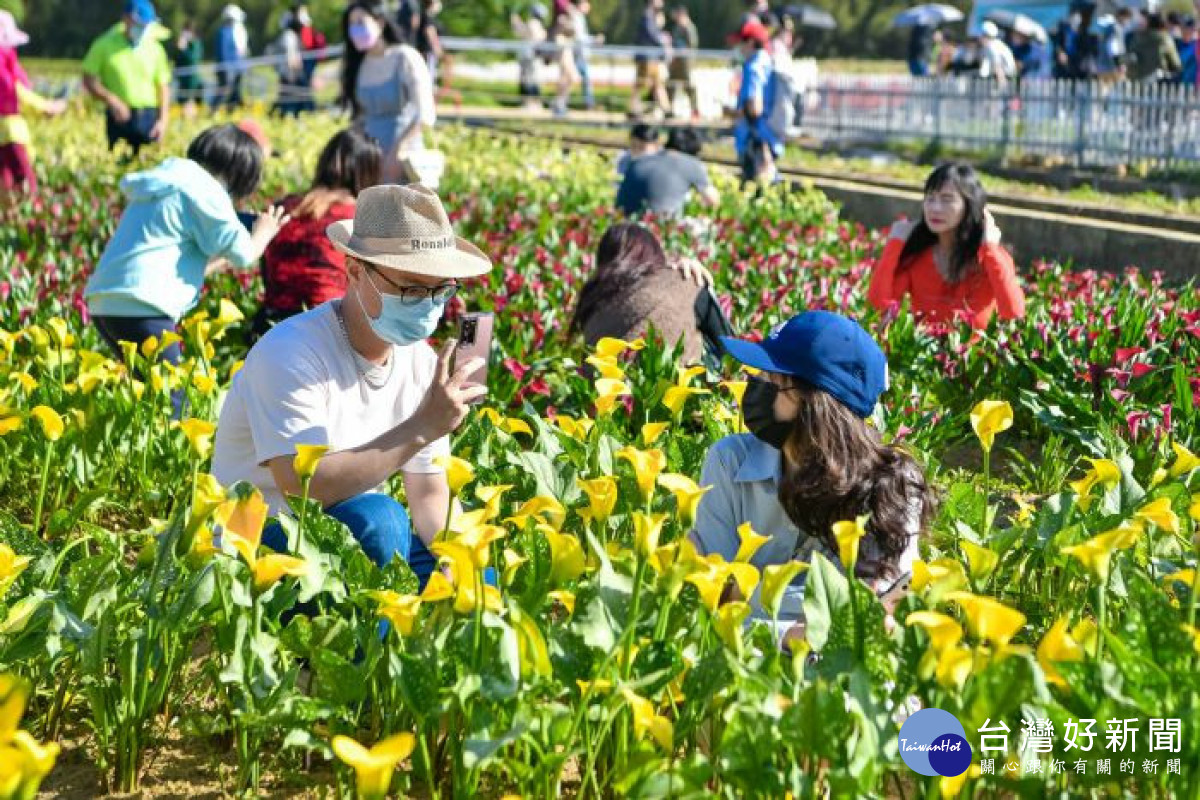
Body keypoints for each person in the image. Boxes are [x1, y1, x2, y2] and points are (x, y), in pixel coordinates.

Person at [211, 184, 493, 583]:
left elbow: (429, 494)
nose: (428, 304)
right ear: (356, 271)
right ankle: (369, 647)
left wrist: (457, 568)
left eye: (440, 290)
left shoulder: (420, 359)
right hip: (259, 547)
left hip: (348, 537)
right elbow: (303, 488)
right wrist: (422, 427)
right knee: (380, 520)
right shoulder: (290, 351)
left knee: (480, 581)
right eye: (412, 288)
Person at [691, 311, 932, 644]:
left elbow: (882, 615)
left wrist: (758, 605)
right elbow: (712, 600)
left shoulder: (892, 485)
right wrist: (795, 633)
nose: (756, 383)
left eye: (772, 376)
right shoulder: (729, 462)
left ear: (815, 402)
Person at [84, 125, 288, 367]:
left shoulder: (168, 181)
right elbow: (245, 255)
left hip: (105, 303)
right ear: (241, 175)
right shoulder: (206, 190)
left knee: (150, 391)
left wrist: (224, 256)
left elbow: (179, 258)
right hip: (145, 306)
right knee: (175, 399)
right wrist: (265, 231)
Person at [256, 129, 383, 336]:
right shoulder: (362, 217)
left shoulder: (284, 207)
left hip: (271, 326)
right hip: (329, 327)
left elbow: (266, 271)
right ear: (371, 171)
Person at [868, 163, 1025, 329]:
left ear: (969, 206)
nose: (935, 208)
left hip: (975, 354)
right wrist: (894, 243)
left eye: (946, 199)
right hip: (924, 352)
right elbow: (879, 308)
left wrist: (990, 248)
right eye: (930, 198)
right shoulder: (917, 257)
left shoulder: (990, 258)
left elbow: (1013, 312)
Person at [570, 222, 732, 366]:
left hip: (606, 399)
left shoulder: (592, 304)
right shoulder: (684, 282)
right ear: (655, 253)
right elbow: (731, 351)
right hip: (680, 396)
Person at [341, 2, 436, 183]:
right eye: (351, 24)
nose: (355, 29)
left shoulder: (405, 57)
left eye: (360, 22)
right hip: (370, 163)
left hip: (405, 159)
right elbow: (359, 118)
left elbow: (425, 115)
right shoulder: (359, 65)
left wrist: (398, 152)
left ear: (380, 22)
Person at [82, 0, 171, 155]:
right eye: (137, 23)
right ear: (126, 19)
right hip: (119, 117)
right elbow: (89, 79)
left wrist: (162, 121)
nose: (141, 28)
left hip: (149, 117)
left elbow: (163, 87)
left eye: (145, 25)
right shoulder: (104, 44)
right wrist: (111, 100)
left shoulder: (155, 48)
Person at [0, 11, 67, 195]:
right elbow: (18, 93)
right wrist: (49, 107)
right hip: (10, 132)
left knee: (6, 180)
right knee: (27, 180)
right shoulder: (3, 65)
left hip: (6, 131)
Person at [616, 128, 718, 218]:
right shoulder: (691, 163)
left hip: (624, 223)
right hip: (660, 226)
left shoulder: (640, 161)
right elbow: (713, 200)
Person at [734, 19, 781, 183]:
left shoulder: (753, 67)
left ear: (752, 42)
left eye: (742, 42)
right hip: (768, 136)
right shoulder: (767, 61)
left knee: (756, 187)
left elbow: (754, 108)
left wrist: (735, 112)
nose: (739, 47)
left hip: (755, 141)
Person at [632, 0, 671, 119]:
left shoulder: (652, 15)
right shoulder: (647, 15)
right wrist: (663, 39)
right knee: (641, 83)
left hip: (653, 57)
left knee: (657, 83)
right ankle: (634, 109)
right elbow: (651, 35)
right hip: (646, 57)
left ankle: (666, 109)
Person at [513, 5, 548, 112]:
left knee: (528, 80)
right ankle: (534, 104)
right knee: (532, 79)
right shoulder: (539, 25)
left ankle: (530, 104)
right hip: (533, 55)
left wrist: (516, 22)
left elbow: (521, 32)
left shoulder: (533, 23)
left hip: (529, 56)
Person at [270, 12, 306, 117]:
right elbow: (291, 57)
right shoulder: (289, 36)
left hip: (288, 73)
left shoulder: (290, 35)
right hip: (288, 74)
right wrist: (296, 71)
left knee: (286, 98)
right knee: (288, 99)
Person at [215, 4, 250, 109]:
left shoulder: (231, 31)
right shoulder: (224, 32)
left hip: (235, 68)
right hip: (227, 69)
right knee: (224, 91)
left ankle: (232, 109)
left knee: (235, 92)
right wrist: (227, 69)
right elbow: (223, 53)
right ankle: (214, 110)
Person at [668, 6, 700, 120]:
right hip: (677, 62)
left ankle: (694, 110)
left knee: (689, 87)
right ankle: (669, 109)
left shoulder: (689, 27)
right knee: (671, 85)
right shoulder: (677, 27)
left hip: (686, 62)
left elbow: (691, 45)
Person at [1130, 12, 1182, 82]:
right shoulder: (1164, 38)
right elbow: (1175, 64)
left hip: (1137, 80)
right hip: (1158, 80)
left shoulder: (1137, 38)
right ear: (1162, 24)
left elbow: (1130, 58)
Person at [570, 1, 602, 111]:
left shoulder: (579, 18)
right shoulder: (577, 18)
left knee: (578, 79)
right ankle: (589, 104)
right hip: (578, 54)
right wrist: (594, 40)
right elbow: (579, 38)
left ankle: (588, 103)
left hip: (580, 54)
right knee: (573, 78)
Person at [173, 20, 205, 107]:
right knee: (181, 101)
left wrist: (183, 50)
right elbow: (176, 59)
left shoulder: (195, 43)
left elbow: (193, 59)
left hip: (191, 79)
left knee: (189, 101)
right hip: (182, 78)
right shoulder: (182, 42)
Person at [978, 22, 1017, 88]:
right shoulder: (990, 46)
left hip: (1006, 75)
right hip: (1000, 75)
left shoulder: (993, 47)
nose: (980, 37)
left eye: (982, 35)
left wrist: (1002, 86)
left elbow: (998, 67)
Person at [415, 1, 445, 84]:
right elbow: (430, 32)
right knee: (427, 76)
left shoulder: (423, 15)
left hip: (423, 50)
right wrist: (437, 48)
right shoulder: (427, 17)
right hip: (427, 51)